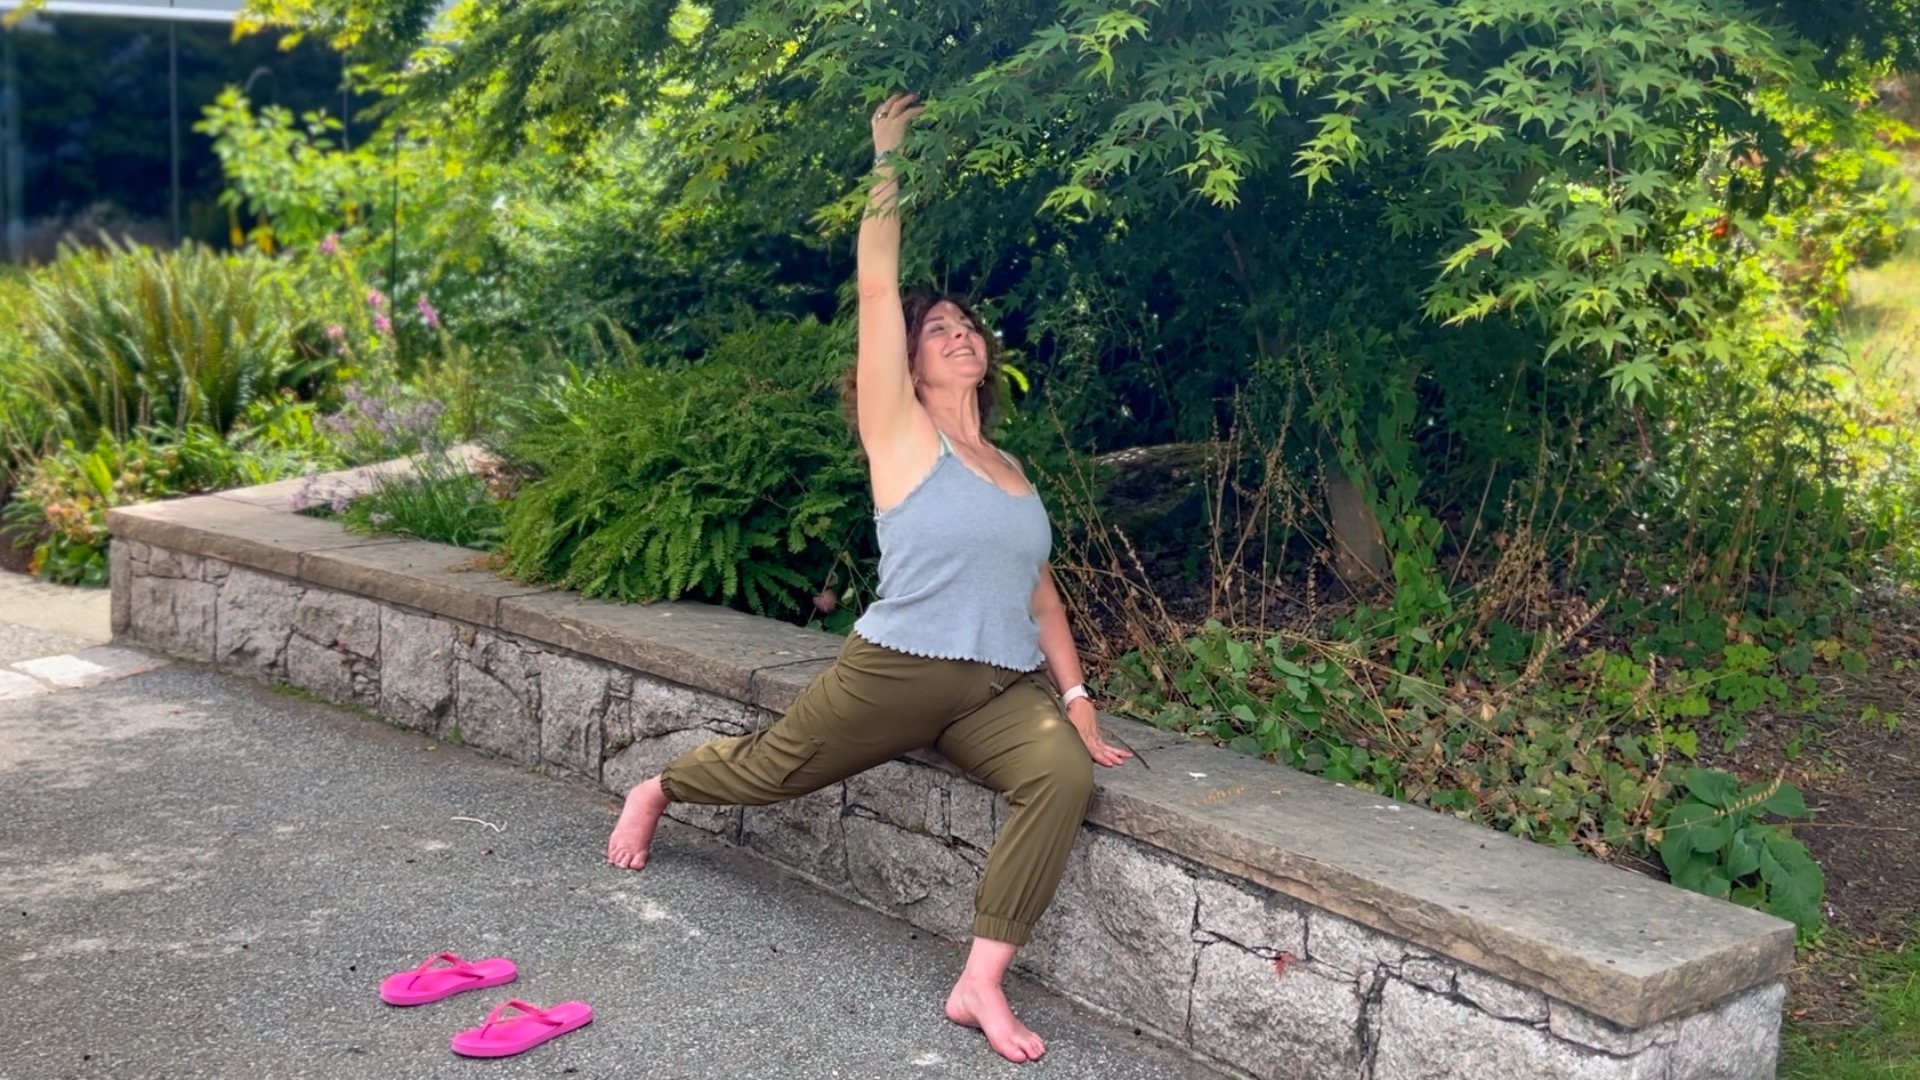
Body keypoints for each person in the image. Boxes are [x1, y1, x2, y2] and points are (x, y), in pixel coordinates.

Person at [605, 91, 1132, 1065]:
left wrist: (1077, 697)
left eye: (969, 327)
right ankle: (658, 787)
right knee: (772, 770)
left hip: (995, 689)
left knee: (1060, 774)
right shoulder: (901, 435)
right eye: (939, 331)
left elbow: (1043, 595)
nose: (961, 335)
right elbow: (879, 280)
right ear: (910, 361)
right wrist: (887, 159)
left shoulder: (1013, 474)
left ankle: (980, 979)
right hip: (894, 670)